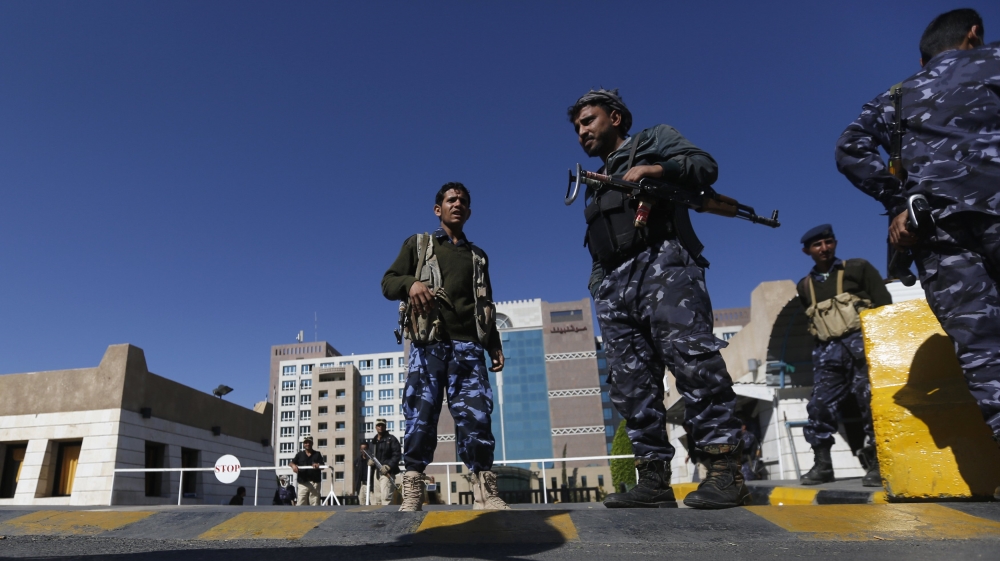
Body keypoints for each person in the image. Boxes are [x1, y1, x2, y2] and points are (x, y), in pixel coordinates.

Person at [567, 89, 749, 509]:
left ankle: (725, 472)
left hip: (663, 265)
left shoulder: (654, 140)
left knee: (693, 363)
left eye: (588, 121)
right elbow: (599, 241)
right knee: (631, 386)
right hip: (614, 284)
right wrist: (600, 287)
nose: (581, 131)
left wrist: (656, 168)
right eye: (577, 126)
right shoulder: (598, 180)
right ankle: (653, 480)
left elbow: (705, 167)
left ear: (615, 118)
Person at [835, 9, 1000, 449]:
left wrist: (899, 203)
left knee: (983, 351)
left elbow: (849, 148)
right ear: (974, 34)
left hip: (936, 232)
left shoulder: (898, 95)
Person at [382, 182, 509, 512]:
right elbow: (388, 281)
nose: (458, 204)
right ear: (438, 209)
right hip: (429, 347)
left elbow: (486, 304)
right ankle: (412, 489)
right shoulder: (420, 244)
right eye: (451, 200)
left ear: (468, 211)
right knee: (420, 418)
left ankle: (485, 493)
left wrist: (493, 344)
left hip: (469, 349)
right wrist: (410, 284)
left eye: (464, 201)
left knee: (477, 420)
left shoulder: (477, 256)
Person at [795, 225, 892, 487]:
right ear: (807, 251)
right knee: (818, 406)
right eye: (817, 245)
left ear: (835, 243)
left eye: (828, 242)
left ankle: (878, 463)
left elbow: (883, 303)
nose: (824, 248)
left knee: (870, 401)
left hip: (861, 347)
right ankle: (823, 464)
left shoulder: (857, 268)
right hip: (828, 354)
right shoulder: (805, 286)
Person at [368, 419, 401, 505]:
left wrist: (388, 466)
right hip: (375, 473)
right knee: (377, 499)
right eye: (378, 425)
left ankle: (387, 518)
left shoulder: (392, 439)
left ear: (385, 427)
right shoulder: (373, 442)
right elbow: (370, 455)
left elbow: (397, 454)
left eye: (382, 425)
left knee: (386, 498)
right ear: (375, 427)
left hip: (387, 472)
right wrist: (369, 461)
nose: (380, 427)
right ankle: (377, 518)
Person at [290, 436, 324, 506]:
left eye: (309, 442)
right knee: (300, 503)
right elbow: (291, 462)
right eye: (306, 442)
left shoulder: (317, 454)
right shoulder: (300, 454)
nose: (307, 444)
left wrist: (318, 465)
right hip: (303, 483)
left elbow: (322, 466)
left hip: (315, 483)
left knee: (315, 504)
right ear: (303, 444)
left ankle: (315, 517)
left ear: (312, 443)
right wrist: (293, 466)